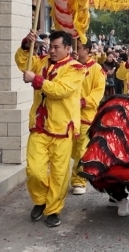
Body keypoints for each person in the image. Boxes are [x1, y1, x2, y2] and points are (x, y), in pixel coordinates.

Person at [15, 30, 85, 228]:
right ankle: (41, 200)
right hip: (39, 125)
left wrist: (36, 80)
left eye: (56, 47)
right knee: (34, 170)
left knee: (59, 173)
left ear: (68, 48)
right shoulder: (42, 62)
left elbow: (60, 90)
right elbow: (23, 63)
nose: (52, 51)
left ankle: (53, 209)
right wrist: (26, 46)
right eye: (50, 47)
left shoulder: (76, 69)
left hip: (62, 127)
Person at [71, 40, 106, 196]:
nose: (75, 50)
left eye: (78, 47)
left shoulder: (97, 69)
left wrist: (83, 102)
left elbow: (98, 92)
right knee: (68, 150)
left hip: (85, 116)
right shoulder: (70, 66)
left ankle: (79, 180)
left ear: (87, 50)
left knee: (81, 150)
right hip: (68, 115)